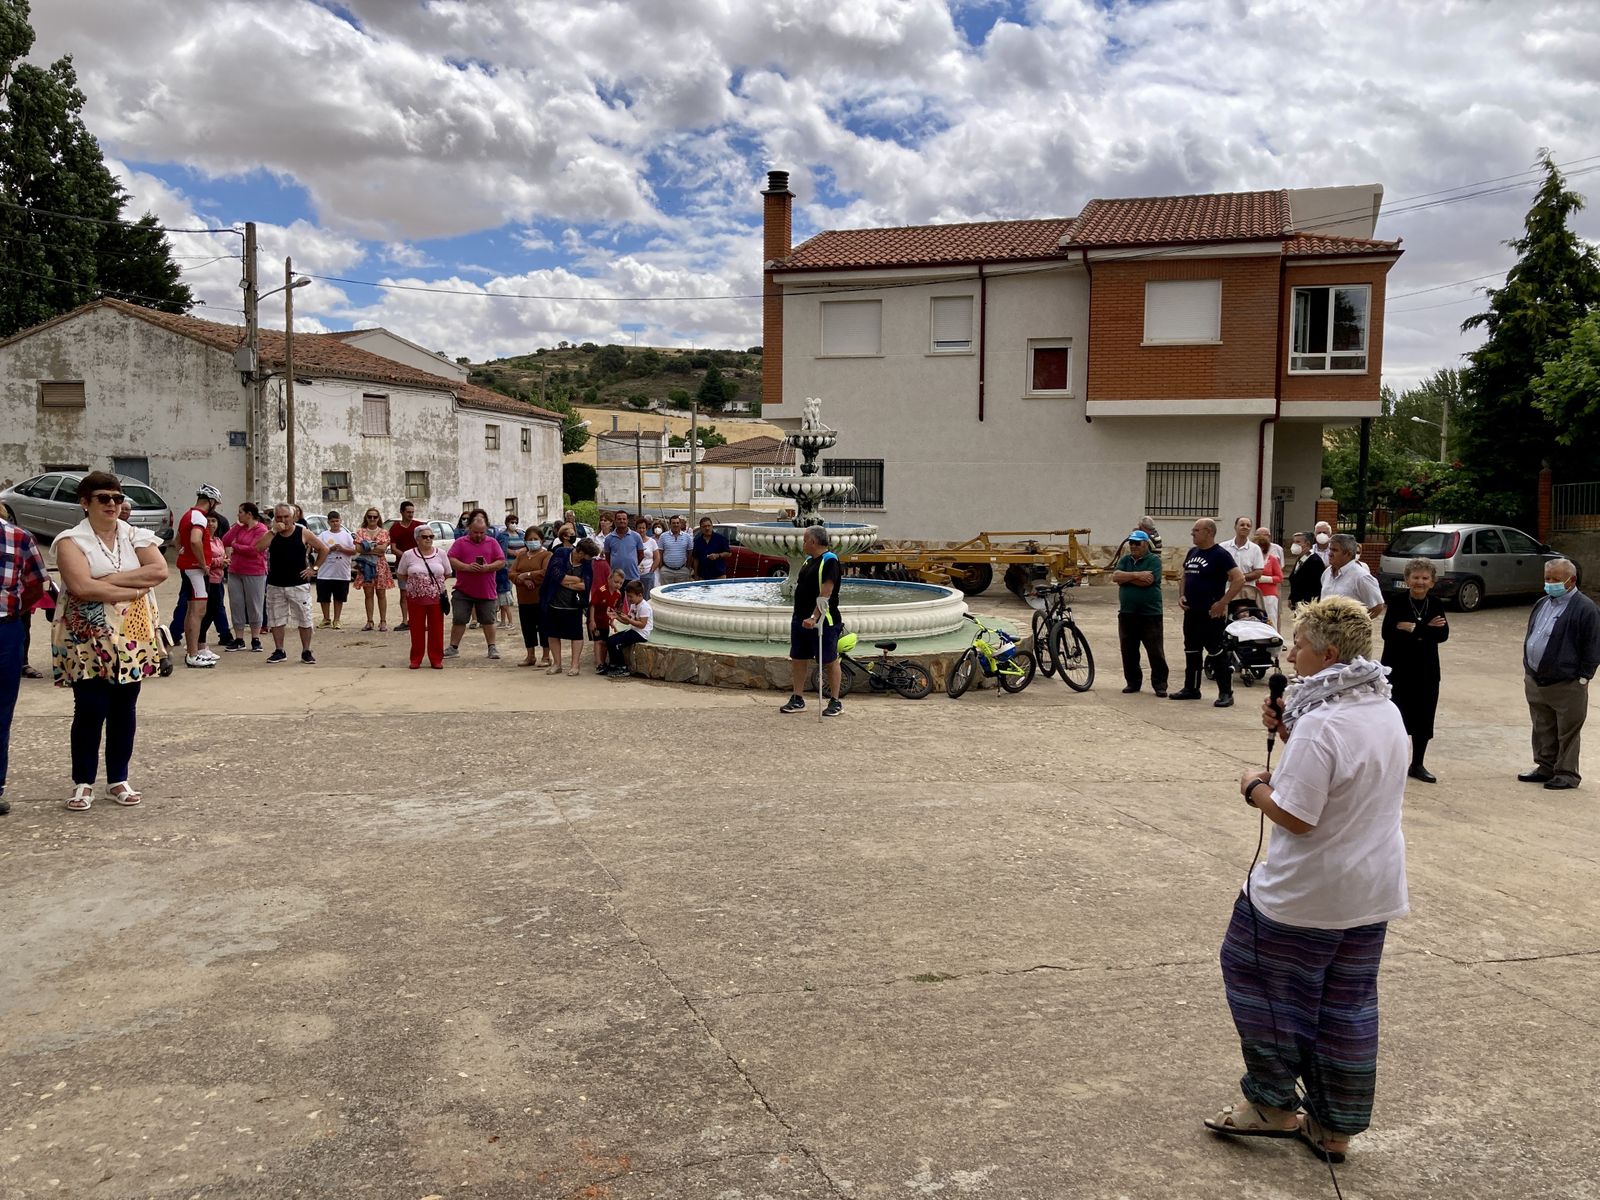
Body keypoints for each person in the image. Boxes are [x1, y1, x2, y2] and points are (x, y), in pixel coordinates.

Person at [1208, 595, 1408, 1165]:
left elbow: (1298, 814)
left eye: (1297, 644)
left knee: (1254, 977)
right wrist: (1291, 737)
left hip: (1306, 893)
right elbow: (1341, 778)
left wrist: (1254, 785)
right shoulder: (1382, 709)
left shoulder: (1322, 723)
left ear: (1325, 653)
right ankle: (1334, 1126)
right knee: (1345, 1004)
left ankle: (1272, 1103)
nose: (1290, 651)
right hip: (1370, 890)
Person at [50, 472, 170, 810]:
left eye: (118, 499)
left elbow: (159, 571)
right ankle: (83, 782)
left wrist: (105, 579)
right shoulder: (71, 541)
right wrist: (133, 588)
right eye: (104, 498)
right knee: (89, 708)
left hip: (132, 633)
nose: (113, 505)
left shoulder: (136, 535)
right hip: (86, 635)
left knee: (124, 708)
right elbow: (81, 587)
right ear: (85, 502)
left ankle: (118, 778)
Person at [1519, 558, 1599, 791]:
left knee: (1568, 731)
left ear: (1571, 580)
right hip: (1536, 678)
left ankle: (1566, 774)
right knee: (1542, 725)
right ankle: (1545, 766)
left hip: (1567, 682)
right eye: (1547, 578)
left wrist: (1584, 677)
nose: (1550, 583)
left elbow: (1593, 646)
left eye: (1555, 579)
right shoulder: (1542, 603)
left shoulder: (1585, 609)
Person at [1381, 558, 1450, 783]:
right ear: (1407, 579)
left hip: (1426, 670)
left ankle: (1417, 764)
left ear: (1432, 582)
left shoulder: (1436, 604)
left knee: (1423, 718)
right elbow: (1389, 633)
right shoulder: (1397, 601)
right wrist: (1425, 630)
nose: (1420, 582)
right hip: (1398, 669)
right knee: (1395, 717)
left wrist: (1412, 628)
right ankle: (1392, 764)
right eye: (1415, 577)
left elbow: (1442, 635)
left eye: (1425, 578)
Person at [1, 505, 50, 816]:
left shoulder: (18, 537)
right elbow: (35, 585)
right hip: (6, 625)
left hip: (5, 629)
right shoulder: (17, 536)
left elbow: (36, 585)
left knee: (1, 709)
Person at [1171, 518, 1243, 707]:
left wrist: (1223, 602)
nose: (1192, 533)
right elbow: (1185, 575)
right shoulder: (1192, 552)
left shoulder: (1220, 554)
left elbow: (1238, 579)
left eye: (1196, 530)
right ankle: (1191, 688)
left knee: (1216, 651)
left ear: (1209, 532)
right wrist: (1182, 596)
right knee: (1192, 650)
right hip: (1192, 612)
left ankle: (1226, 692)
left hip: (1211, 613)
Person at [780, 525, 844, 717]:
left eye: (805, 539)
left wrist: (814, 617)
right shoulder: (809, 561)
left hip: (823, 621)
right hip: (801, 619)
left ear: (813, 542)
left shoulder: (830, 561)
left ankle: (835, 701)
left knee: (829, 659)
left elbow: (826, 593)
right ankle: (798, 698)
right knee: (798, 658)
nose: (803, 543)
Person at [265, 504, 326, 664]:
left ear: (293, 517)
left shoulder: (302, 532)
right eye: (279, 517)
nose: (283, 520)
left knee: (304, 618)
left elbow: (323, 549)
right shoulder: (272, 534)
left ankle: (306, 651)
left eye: (286, 517)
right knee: (276, 619)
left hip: (298, 583)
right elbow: (257, 547)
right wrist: (273, 531)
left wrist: (314, 569)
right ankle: (279, 650)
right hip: (275, 583)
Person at [1111, 529, 1168, 696]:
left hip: (1150, 614)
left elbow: (1148, 582)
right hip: (1127, 613)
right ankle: (1133, 682)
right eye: (1131, 543)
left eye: (1137, 543)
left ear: (1145, 544)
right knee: (1128, 650)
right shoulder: (1125, 560)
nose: (1134, 546)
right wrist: (1137, 575)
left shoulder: (1154, 560)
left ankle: (1160, 684)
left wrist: (1126, 579)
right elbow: (1115, 577)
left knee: (1155, 651)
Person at [445, 509, 505, 660]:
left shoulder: (492, 542)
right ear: (469, 529)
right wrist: (466, 567)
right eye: (475, 532)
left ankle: (492, 647)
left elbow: (501, 561)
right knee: (459, 618)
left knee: (488, 620)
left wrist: (488, 567)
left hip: (486, 590)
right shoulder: (460, 543)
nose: (478, 535)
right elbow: (451, 559)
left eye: (481, 532)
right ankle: (453, 647)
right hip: (463, 589)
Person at [176, 483, 222, 668]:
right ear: (210, 502)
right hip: (195, 569)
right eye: (216, 504)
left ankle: (193, 651)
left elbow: (177, 540)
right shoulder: (199, 517)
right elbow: (195, 540)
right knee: (198, 611)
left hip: (188, 567)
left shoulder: (188, 514)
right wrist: (203, 563)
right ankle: (193, 654)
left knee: (192, 610)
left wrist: (184, 552)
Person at [394, 526, 453, 669]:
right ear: (417, 539)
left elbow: (447, 572)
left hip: (436, 598)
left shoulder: (441, 554)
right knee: (416, 629)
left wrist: (431, 585)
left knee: (436, 629)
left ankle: (436, 659)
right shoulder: (408, 555)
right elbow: (401, 574)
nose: (428, 539)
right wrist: (418, 583)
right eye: (425, 537)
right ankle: (416, 658)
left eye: (431, 537)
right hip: (415, 598)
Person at [539, 531, 594, 676]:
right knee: (553, 634)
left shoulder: (587, 563)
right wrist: (576, 580)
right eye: (588, 556)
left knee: (576, 635)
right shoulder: (561, 553)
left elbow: (585, 585)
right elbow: (557, 576)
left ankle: (575, 665)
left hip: (574, 604)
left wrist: (568, 583)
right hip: (554, 602)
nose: (590, 559)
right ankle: (557, 664)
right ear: (581, 552)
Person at [222, 502, 271, 651]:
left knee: (254, 603)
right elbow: (225, 540)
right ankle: (239, 638)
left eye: (240, 512)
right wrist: (236, 526)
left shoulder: (261, 529)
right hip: (235, 570)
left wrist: (236, 546)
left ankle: (255, 638)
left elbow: (254, 549)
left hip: (254, 571)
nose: (238, 515)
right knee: (236, 603)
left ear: (249, 514)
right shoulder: (240, 528)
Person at [511, 528, 553, 667]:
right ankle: (530, 656)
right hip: (524, 598)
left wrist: (527, 575)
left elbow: (545, 573)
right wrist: (523, 580)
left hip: (541, 598)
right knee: (527, 627)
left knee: (544, 627)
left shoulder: (547, 555)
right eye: (529, 539)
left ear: (541, 540)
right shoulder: (521, 556)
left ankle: (546, 656)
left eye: (535, 539)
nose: (532, 542)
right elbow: (512, 573)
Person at [1321, 534, 1385, 619]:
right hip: (1324, 629)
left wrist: (1356, 625)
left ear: (1348, 554)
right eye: (1330, 549)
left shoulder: (1362, 577)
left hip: (1347, 631)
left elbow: (1378, 607)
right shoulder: (1327, 572)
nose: (1330, 554)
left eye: (1335, 550)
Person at [352, 508, 394, 631]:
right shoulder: (360, 531)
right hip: (365, 565)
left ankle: (383, 621)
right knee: (368, 593)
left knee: (381, 593)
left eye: (374, 517)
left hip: (380, 565)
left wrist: (367, 548)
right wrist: (375, 548)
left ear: (378, 518)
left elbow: (382, 549)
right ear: (366, 518)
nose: (372, 519)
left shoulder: (384, 532)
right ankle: (369, 621)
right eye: (369, 516)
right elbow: (358, 549)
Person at [316, 510, 357, 629]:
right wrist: (330, 549)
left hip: (341, 572)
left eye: (337, 521)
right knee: (324, 597)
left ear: (340, 521)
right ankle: (326, 618)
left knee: (339, 597)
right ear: (328, 522)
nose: (335, 523)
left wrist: (342, 549)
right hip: (325, 572)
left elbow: (354, 551)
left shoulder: (346, 535)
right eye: (332, 521)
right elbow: (317, 550)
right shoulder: (323, 535)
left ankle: (337, 619)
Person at [603, 579, 652, 676]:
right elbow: (627, 621)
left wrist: (629, 620)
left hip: (641, 634)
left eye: (631, 597)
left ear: (640, 595)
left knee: (616, 644)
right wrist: (617, 616)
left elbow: (642, 625)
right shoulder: (634, 605)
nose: (629, 599)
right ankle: (613, 664)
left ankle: (622, 667)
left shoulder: (645, 607)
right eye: (628, 596)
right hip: (634, 630)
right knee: (610, 640)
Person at [388, 501, 423, 632]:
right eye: (408, 512)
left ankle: (418, 619)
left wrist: (415, 557)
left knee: (420, 592)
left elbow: (425, 544)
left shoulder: (419, 527)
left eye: (412, 512)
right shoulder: (395, 528)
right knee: (404, 593)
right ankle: (405, 620)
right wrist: (407, 556)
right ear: (401, 512)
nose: (411, 515)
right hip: (402, 565)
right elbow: (393, 548)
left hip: (419, 564)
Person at [592, 566, 623, 674]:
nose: (618, 585)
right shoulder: (601, 590)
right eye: (616, 582)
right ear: (609, 578)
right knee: (598, 641)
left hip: (606, 622)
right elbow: (592, 605)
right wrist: (592, 620)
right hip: (597, 620)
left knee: (604, 642)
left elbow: (614, 609)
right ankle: (598, 663)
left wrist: (612, 622)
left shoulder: (618, 594)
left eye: (620, 583)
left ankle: (603, 662)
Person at [1286, 531, 1323, 619]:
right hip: (1298, 605)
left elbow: (1314, 586)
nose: (1294, 545)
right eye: (1294, 542)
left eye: (1298, 542)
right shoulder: (1301, 559)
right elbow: (1295, 580)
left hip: (1308, 607)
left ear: (1307, 544)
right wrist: (1292, 598)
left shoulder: (1314, 561)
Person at [1216, 516, 1265, 583]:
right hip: (1226, 589)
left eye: (1248, 526)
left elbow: (1258, 572)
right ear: (1235, 527)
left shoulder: (1255, 549)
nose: (1245, 527)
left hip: (1247, 590)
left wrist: (1239, 578)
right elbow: (1216, 567)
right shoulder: (1223, 547)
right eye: (1242, 525)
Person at [1252, 530, 1283, 629]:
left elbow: (1280, 577)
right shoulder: (1251, 559)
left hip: (1269, 595)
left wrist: (1264, 579)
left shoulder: (1272, 559)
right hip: (1254, 594)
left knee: (1270, 620)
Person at [604, 510, 644, 584]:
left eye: (624, 519)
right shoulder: (608, 538)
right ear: (615, 521)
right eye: (619, 519)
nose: (622, 521)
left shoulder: (636, 536)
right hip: (616, 578)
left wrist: (632, 563)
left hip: (633, 576)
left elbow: (641, 555)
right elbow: (607, 558)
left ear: (627, 521)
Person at [658, 515, 694, 585]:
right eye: (673, 523)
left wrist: (687, 568)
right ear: (670, 524)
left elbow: (690, 553)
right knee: (665, 594)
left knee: (681, 594)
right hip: (666, 571)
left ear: (680, 524)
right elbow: (660, 553)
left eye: (677, 523)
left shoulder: (687, 537)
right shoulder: (663, 536)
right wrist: (661, 568)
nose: (676, 525)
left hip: (682, 571)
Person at [493, 519, 515, 630]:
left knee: (506, 607)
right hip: (500, 589)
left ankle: (510, 622)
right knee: (502, 607)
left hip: (504, 589)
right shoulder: (498, 564)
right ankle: (502, 622)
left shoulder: (503, 566)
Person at [634, 515, 661, 596]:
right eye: (639, 528)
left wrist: (651, 571)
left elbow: (657, 558)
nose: (641, 530)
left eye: (643, 528)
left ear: (646, 529)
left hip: (648, 574)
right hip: (635, 574)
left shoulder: (652, 541)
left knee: (647, 597)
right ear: (636, 529)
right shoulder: (632, 541)